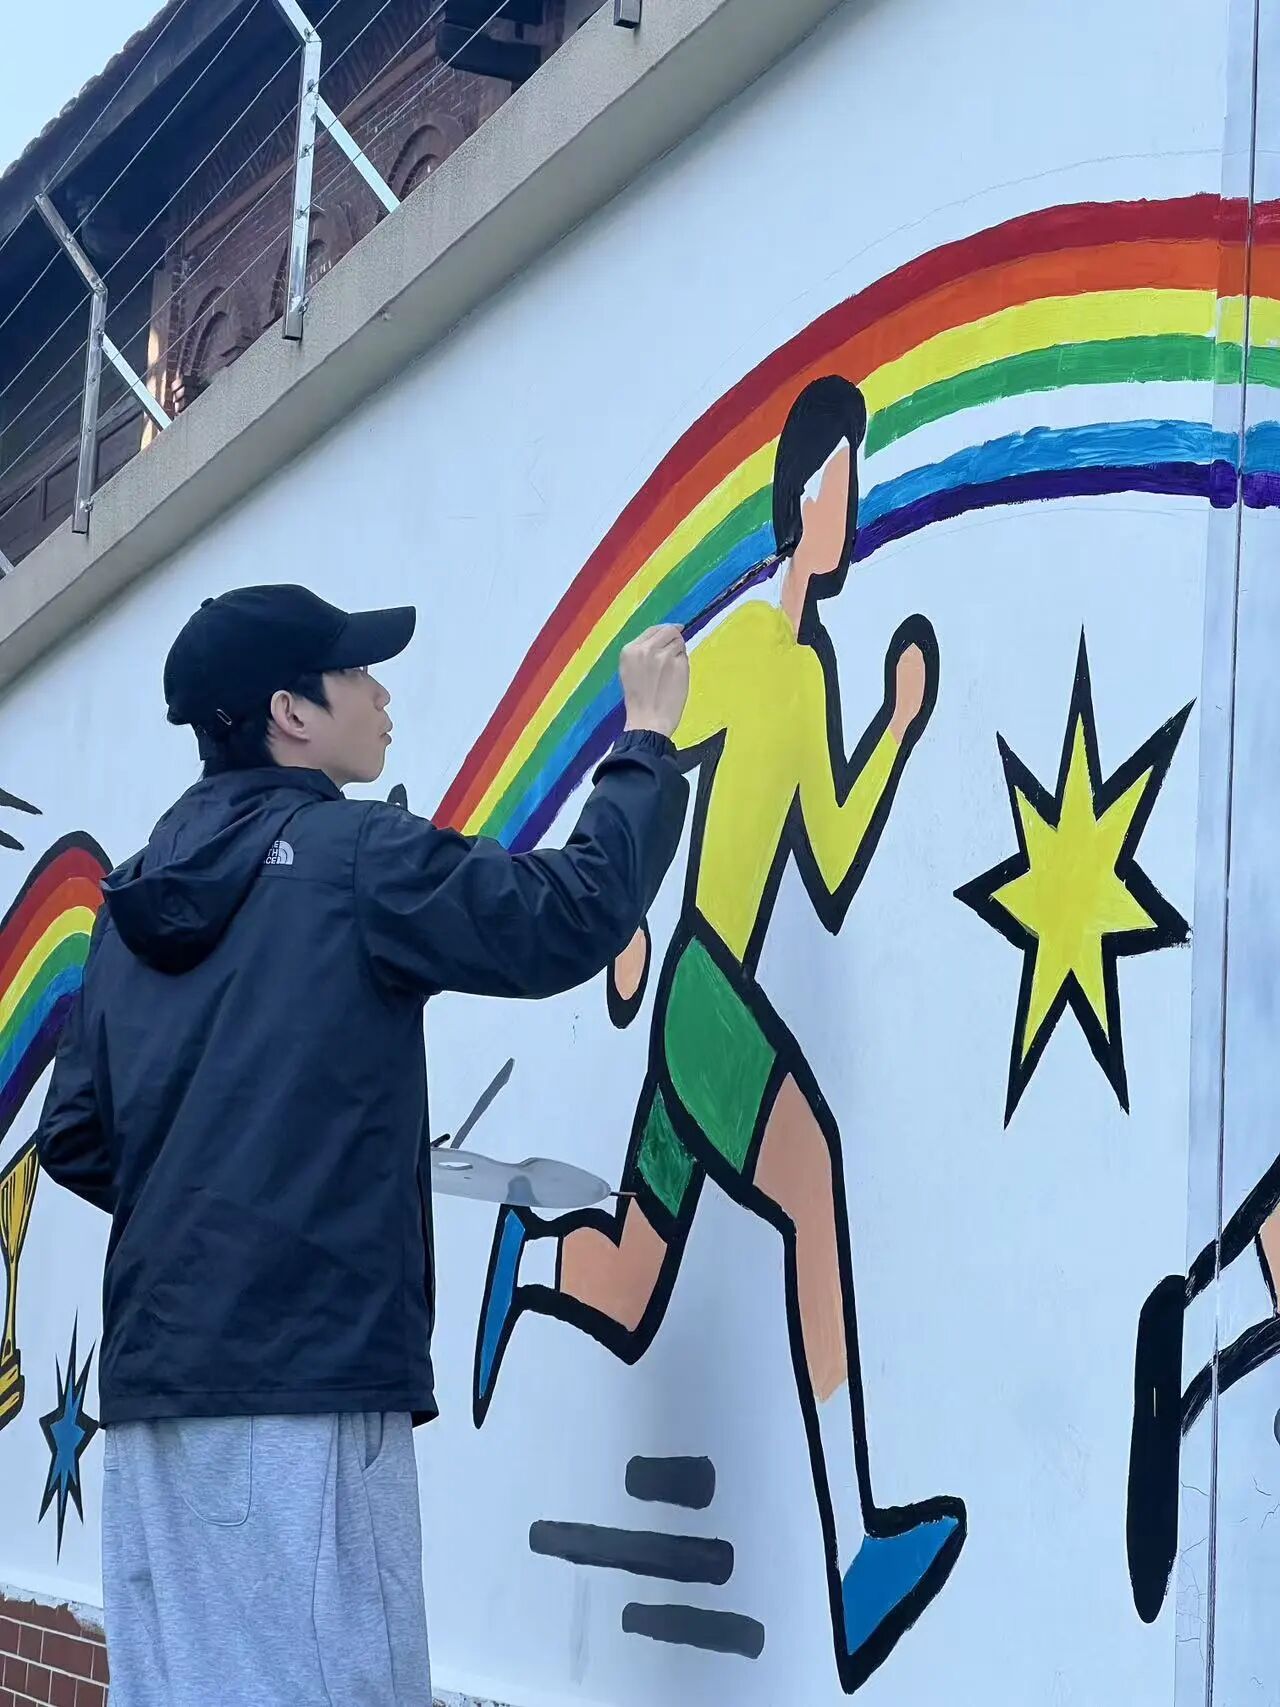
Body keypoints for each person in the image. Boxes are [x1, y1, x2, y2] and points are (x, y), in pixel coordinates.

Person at [34, 583, 691, 1707]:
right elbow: (567, 915)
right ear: (290, 713)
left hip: (152, 1407)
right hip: (307, 1385)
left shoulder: (134, 901)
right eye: (357, 673)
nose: (383, 694)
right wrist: (644, 743)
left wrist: (231, 1183)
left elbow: (76, 1137)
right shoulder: (352, 857)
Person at [473, 377, 965, 1695]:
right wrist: (620, 929)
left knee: (631, 1278)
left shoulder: (806, 670)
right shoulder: (743, 644)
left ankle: (527, 1257)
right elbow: (642, 755)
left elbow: (833, 851)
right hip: (703, 986)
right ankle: (858, 1552)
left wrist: (896, 726)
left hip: (703, 1007)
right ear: (803, 493)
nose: (855, 500)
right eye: (845, 476)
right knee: (813, 1181)